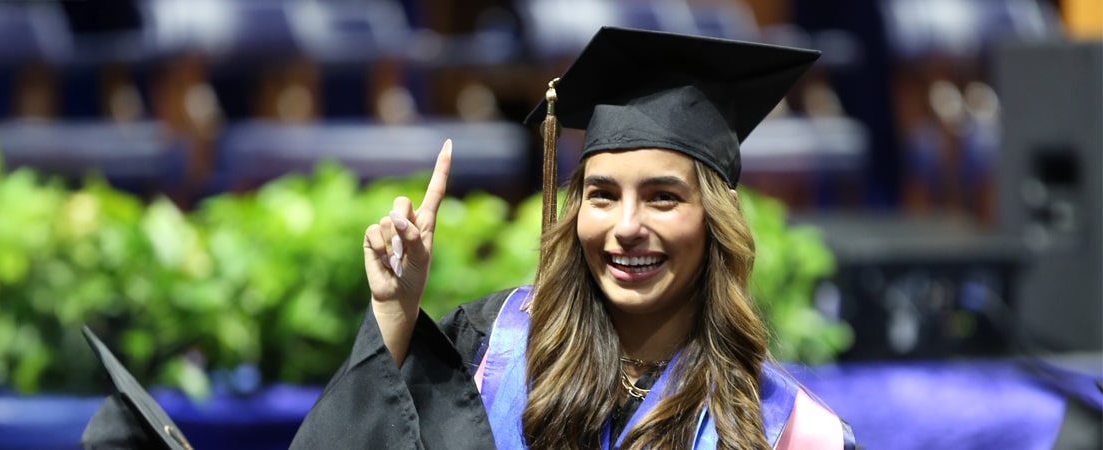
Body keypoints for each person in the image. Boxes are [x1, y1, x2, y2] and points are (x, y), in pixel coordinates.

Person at [291, 27, 856, 450]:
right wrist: (394, 312)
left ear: (718, 216)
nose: (627, 227)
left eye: (663, 197)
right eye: (602, 194)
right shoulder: (491, 351)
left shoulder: (788, 429)